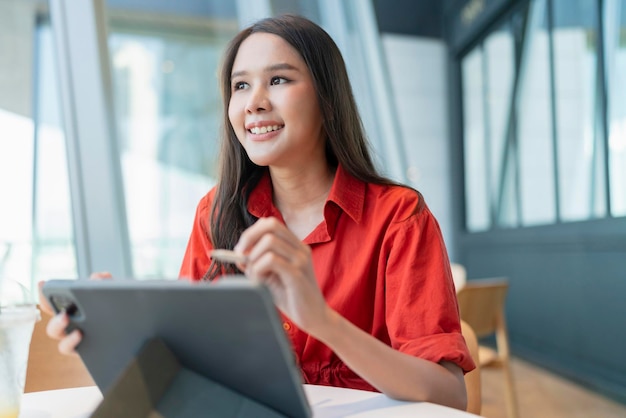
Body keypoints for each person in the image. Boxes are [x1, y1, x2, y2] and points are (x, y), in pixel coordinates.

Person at [42, 14, 475, 410]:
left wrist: (321, 321)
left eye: (280, 80)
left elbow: (449, 395)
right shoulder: (215, 213)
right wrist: (119, 330)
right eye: (241, 85)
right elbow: (189, 365)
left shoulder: (399, 217)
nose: (254, 103)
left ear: (327, 98)